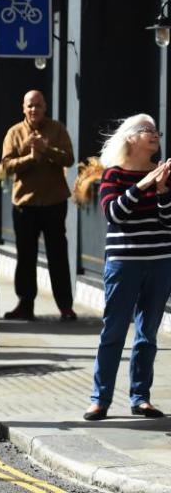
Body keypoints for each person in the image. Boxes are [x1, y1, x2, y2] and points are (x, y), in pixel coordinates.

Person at [84, 114, 169, 421]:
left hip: (159, 263)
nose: (155, 134)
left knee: (147, 335)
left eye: (156, 130)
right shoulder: (114, 175)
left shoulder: (164, 175)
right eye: (147, 130)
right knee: (114, 332)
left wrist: (161, 192)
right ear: (130, 138)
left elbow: (168, 222)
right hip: (124, 265)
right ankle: (100, 399)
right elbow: (114, 214)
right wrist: (142, 185)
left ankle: (140, 397)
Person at [0, 90, 77, 321]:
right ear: (23, 108)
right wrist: (30, 156)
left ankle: (65, 306)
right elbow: (5, 166)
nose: (34, 110)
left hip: (54, 202)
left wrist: (47, 150)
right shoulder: (14, 132)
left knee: (58, 254)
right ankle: (25, 305)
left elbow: (69, 158)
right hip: (25, 204)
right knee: (25, 255)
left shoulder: (57, 129)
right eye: (30, 106)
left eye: (38, 105)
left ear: (45, 107)